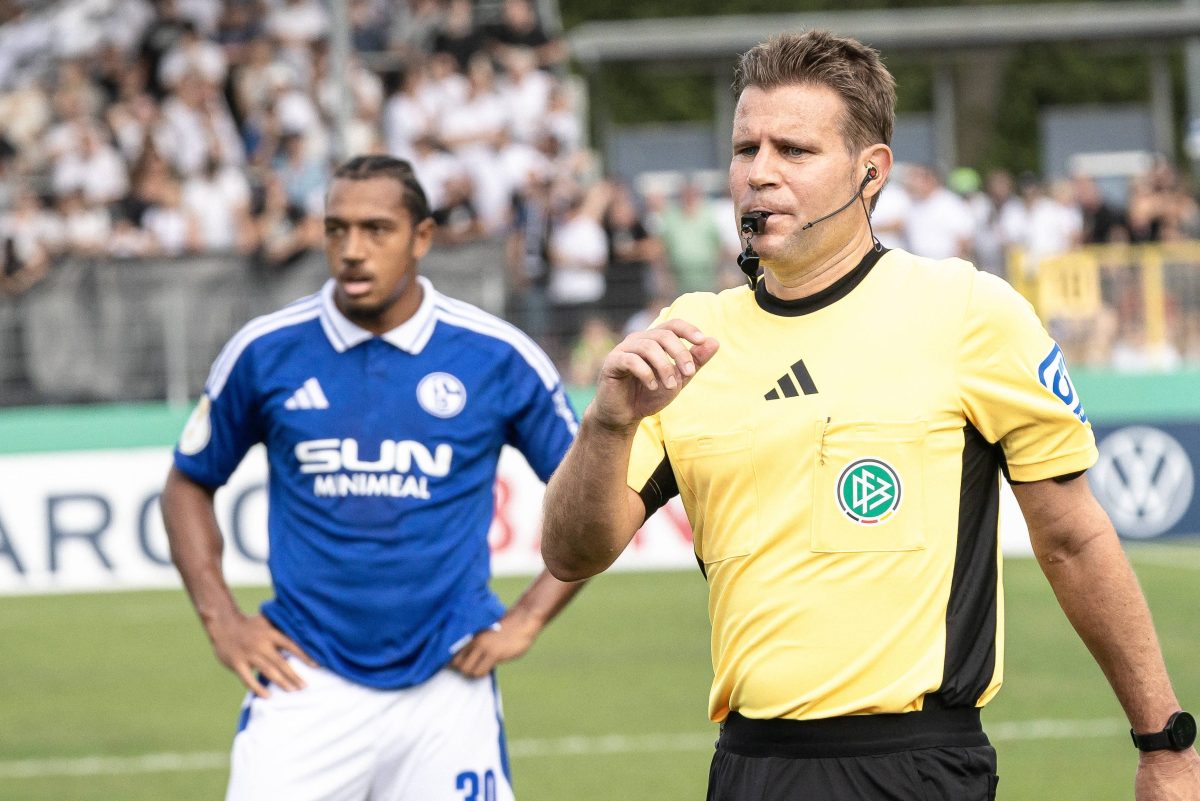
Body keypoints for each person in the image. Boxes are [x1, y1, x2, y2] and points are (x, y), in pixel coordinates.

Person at [540, 30, 1200, 801]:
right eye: (745, 147)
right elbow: (572, 552)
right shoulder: (690, 334)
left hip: (914, 764)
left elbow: (1073, 538)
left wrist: (1166, 743)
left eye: (794, 150)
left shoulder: (965, 311)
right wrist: (607, 423)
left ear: (870, 172)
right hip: (747, 767)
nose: (760, 173)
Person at [161, 155, 584, 801]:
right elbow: (188, 482)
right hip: (304, 679)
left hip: (450, 681)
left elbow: (596, 503)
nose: (352, 250)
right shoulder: (266, 349)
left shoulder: (497, 356)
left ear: (422, 236)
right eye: (337, 229)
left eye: (376, 229)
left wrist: (528, 616)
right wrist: (222, 618)